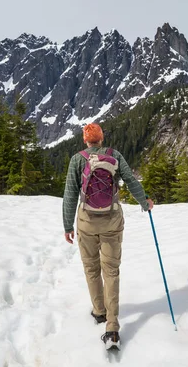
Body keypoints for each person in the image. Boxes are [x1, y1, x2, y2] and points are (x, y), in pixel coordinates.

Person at [62, 122, 153, 349]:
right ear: (101, 139)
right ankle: (112, 328)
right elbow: (131, 181)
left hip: (86, 223)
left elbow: (70, 196)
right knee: (111, 271)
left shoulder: (77, 160)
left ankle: (99, 311)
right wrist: (145, 202)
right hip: (112, 221)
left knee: (92, 268)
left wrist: (67, 226)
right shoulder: (115, 156)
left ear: (85, 140)